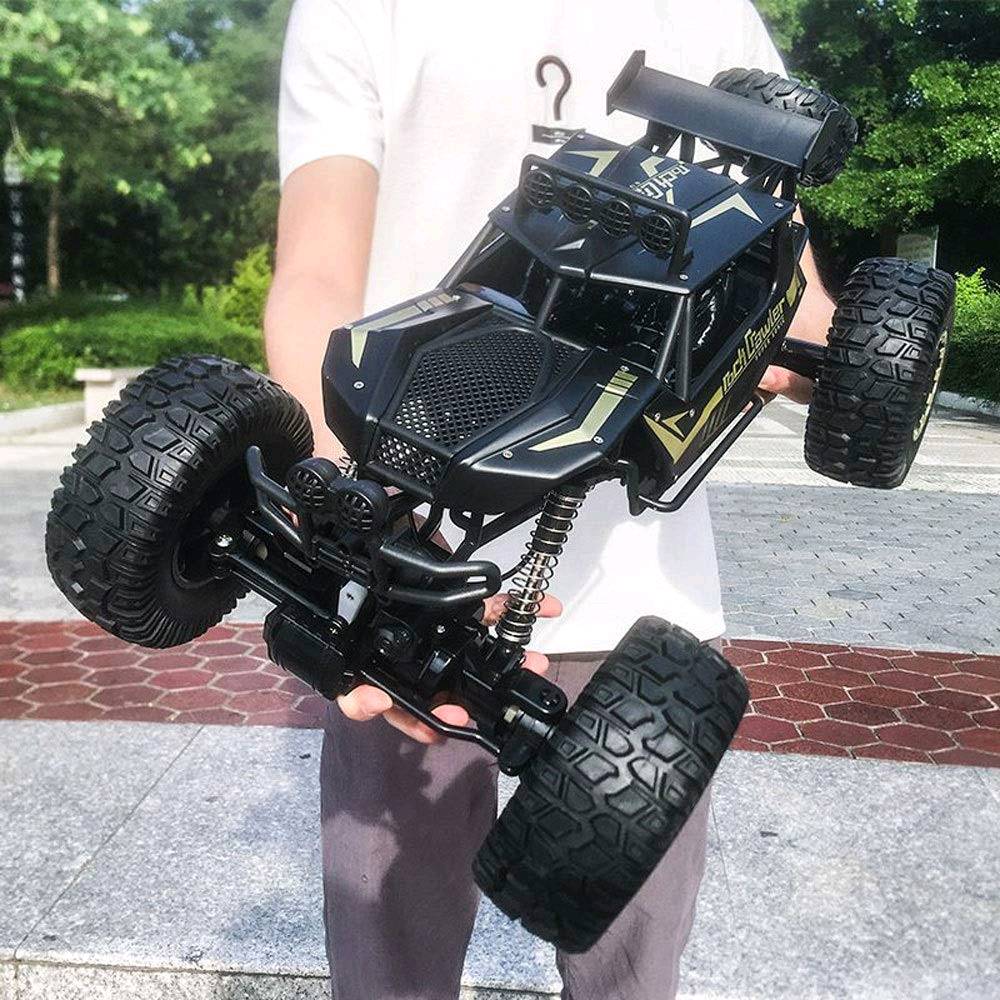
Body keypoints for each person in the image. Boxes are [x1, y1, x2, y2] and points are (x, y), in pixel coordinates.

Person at [265, 3, 835, 998]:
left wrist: (865, 364)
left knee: (629, 974)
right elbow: (315, 273)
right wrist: (348, 530)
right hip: (413, 557)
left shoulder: (709, 13)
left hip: (642, 609)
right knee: (389, 971)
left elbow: (798, 289)